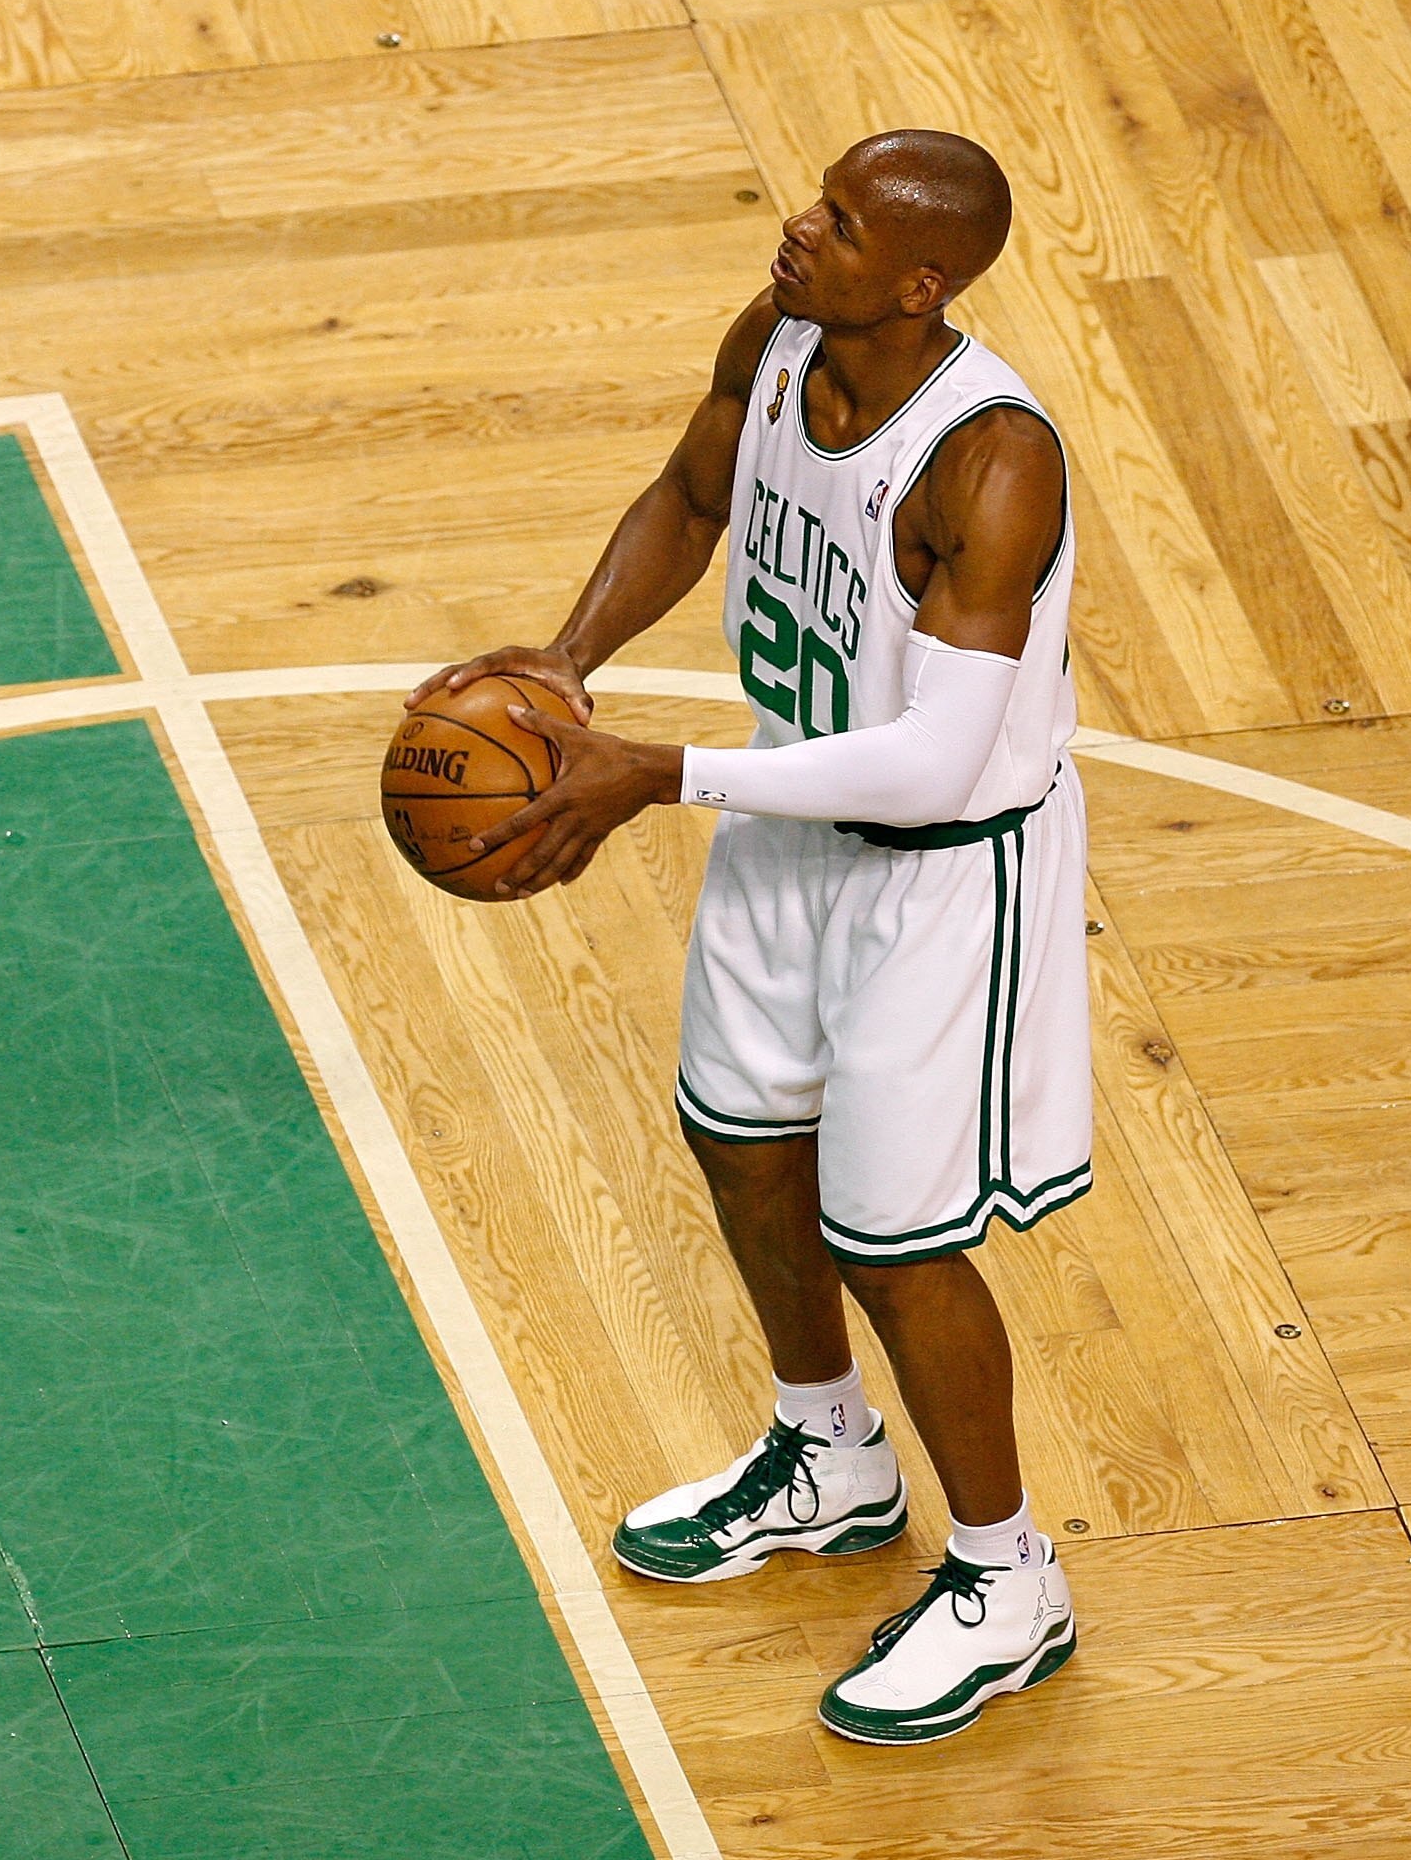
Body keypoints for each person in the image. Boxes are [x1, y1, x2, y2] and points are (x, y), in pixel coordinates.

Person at [411, 128, 1088, 1746]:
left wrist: (664, 771)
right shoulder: (778, 341)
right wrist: (572, 662)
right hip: (792, 811)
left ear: (921, 284)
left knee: (895, 1235)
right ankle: (829, 1457)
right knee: (740, 1144)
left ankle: (1007, 1583)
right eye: (816, 196)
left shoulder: (991, 461)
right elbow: (689, 494)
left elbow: (932, 757)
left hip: (948, 872)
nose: (802, 226)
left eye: (843, 222)